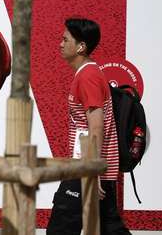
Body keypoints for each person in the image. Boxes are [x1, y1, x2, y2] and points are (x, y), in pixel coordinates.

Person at [47, 18, 130, 235]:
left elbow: (96, 127)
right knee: (109, 227)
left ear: (81, 46)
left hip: (85, 171)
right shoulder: (88, 74)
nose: (60, 44)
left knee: (60, 230)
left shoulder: (88, 76)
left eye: (66, 39)